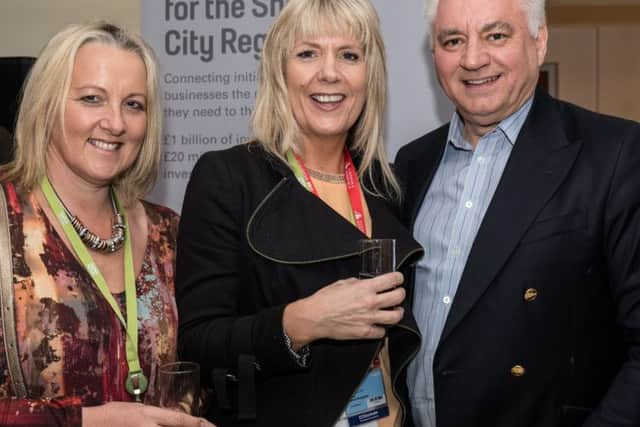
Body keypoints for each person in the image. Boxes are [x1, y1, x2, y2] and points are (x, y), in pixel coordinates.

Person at [176, 0, 424, 425]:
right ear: (279, 71)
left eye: (349, 55)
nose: (329, 73)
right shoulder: (228, 177)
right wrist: (301, 322)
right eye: (307, 53)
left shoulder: (385, 184)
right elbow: (199, 343)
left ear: (370, 75)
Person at [394, 0, 640, 426]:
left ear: (539, 41)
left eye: (495, 35)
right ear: (434, 53)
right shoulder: (412, 163)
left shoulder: (614, 153)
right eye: (453, 40)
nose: (472, 59)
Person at [0, 22, 214, 427]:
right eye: (92, 99)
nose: (115, 123)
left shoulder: (168, 234)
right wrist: (89, 421)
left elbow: (200, 372)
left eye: (133, 104)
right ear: (47, 104)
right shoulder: (5, 222)